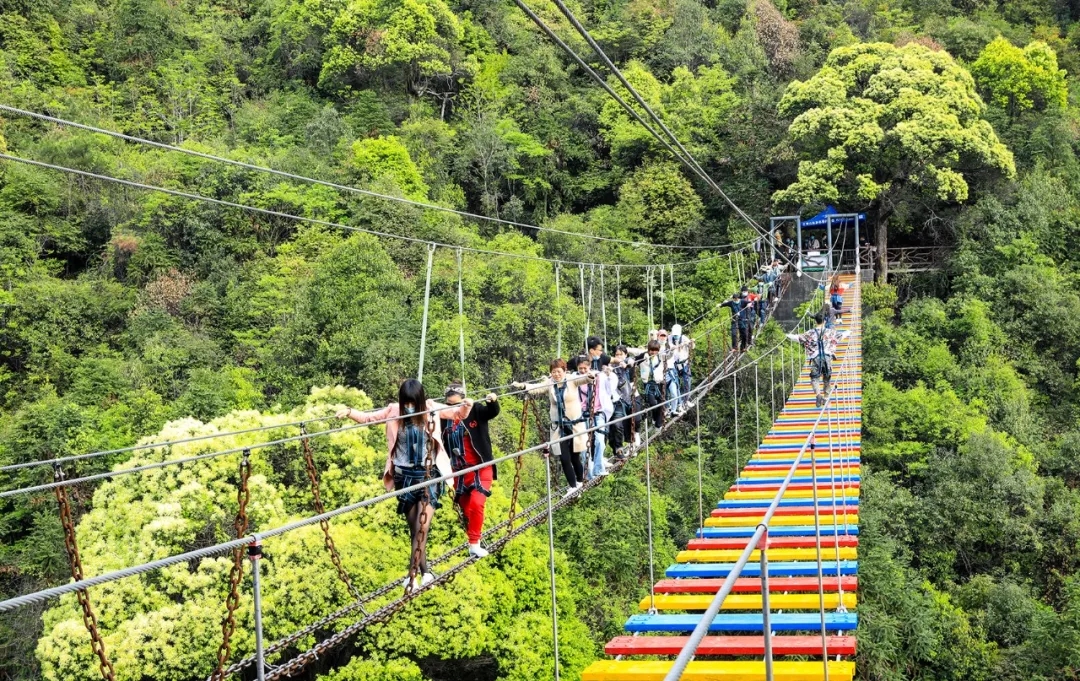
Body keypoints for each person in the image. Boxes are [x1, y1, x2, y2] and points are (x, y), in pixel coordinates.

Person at [337, 380, 473, 589]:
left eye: (412, 403)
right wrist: (348, 411)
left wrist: (467, 405)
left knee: (422, 526)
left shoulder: (430, 408)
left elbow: (457, 414)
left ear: (419, 401)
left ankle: (411, 576)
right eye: (406, 403)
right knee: (415, 530)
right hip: (405, 477)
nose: (409, 407)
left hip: (429, 475)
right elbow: (368, 418)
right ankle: (426, 572)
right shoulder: (394, 411)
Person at [513, 359, 594, 497]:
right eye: (553, 372)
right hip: (559, 427)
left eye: (559, 371)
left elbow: (584, 379)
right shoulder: (550, 383)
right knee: (564, 457)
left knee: (575, 457)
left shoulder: (572, 380)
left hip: (575, 424)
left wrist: (590, 376)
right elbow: (536, 388)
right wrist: (523, 386)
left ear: (564, 371)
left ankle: (580, 482)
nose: (556, 374)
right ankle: (573, 487)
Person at [441, 382, 501, 558]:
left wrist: (493, 401)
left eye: (457, 404)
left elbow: (491, 412)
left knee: (477, 503)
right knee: (467, 509)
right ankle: (477, 537)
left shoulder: (474, 409)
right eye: (450, 404)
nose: (454, 408)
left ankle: (474, 543)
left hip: (481, 466)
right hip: (458, 471)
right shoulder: (444, 416)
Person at [786, 312, 852, 408]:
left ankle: (818, 394)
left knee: (814, 378)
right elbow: (840, 336)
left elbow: (798, 338)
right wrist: (848, 332)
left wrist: (787, 335)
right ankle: (825, 398)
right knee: (827, 378)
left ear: (815, 321)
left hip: (816, 358)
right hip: (827, 357)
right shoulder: (830, 332)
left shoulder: (810, 333)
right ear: (824, 321)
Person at [576, 352, 616, 479]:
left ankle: (599, 468)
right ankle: (588, 472)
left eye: (585, 368)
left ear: (590, 367)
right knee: (583, 444)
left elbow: (610, 389)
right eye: (580, 368)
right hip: (581, 414)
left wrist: (609, 374)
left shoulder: (599, 376)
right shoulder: (574, 378)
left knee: (599, 440)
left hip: (598, 412)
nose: (583, 371)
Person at [609, 345, 640, 457]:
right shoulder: (611, 366)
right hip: (617, 400)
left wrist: (627, 363)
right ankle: (619, 449)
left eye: (621, 354)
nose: (618, 357)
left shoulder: (627, 362)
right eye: (616, 354)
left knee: (635, 420)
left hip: (629, 397)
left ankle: (632, 444)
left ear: (625, 355)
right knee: (618, 425)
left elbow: (632, 360)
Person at [638, 340, 666, 430]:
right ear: (648, 349)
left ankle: (658, 423)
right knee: (653, 403)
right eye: (651, 350)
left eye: (656, 350)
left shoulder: (660, 356)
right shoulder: (643, 356)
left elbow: (669, 355)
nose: (653, 352)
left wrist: (673, 349)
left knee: (661, 403)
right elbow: (634, 358)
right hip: (648, 385)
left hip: (658, 383)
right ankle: (655, 420)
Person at [668, 324, 693, 412]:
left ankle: (685, 400)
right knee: (676, 384)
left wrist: (690, 343)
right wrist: (679, 345)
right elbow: (670, 346)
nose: (675, 337)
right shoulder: (670, 338)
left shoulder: (684, 338)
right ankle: (679, 403)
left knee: (687, 382)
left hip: (685, 363)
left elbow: (692, 347)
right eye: (674, 335)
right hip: (675, 364)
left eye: (676, 335)